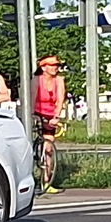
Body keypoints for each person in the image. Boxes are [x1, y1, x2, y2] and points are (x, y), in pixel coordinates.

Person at [32, 55, 66, 194]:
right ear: (43, 67)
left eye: (56, 66)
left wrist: (56, 116)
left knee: (48, 149)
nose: (55, 68)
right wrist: (32, 115)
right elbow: (32, 98)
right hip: (36, 112)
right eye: (52, 66)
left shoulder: (59, 81)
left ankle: (46, 181)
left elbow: (60, 100)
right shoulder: (36, 80)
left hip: (50, 115)